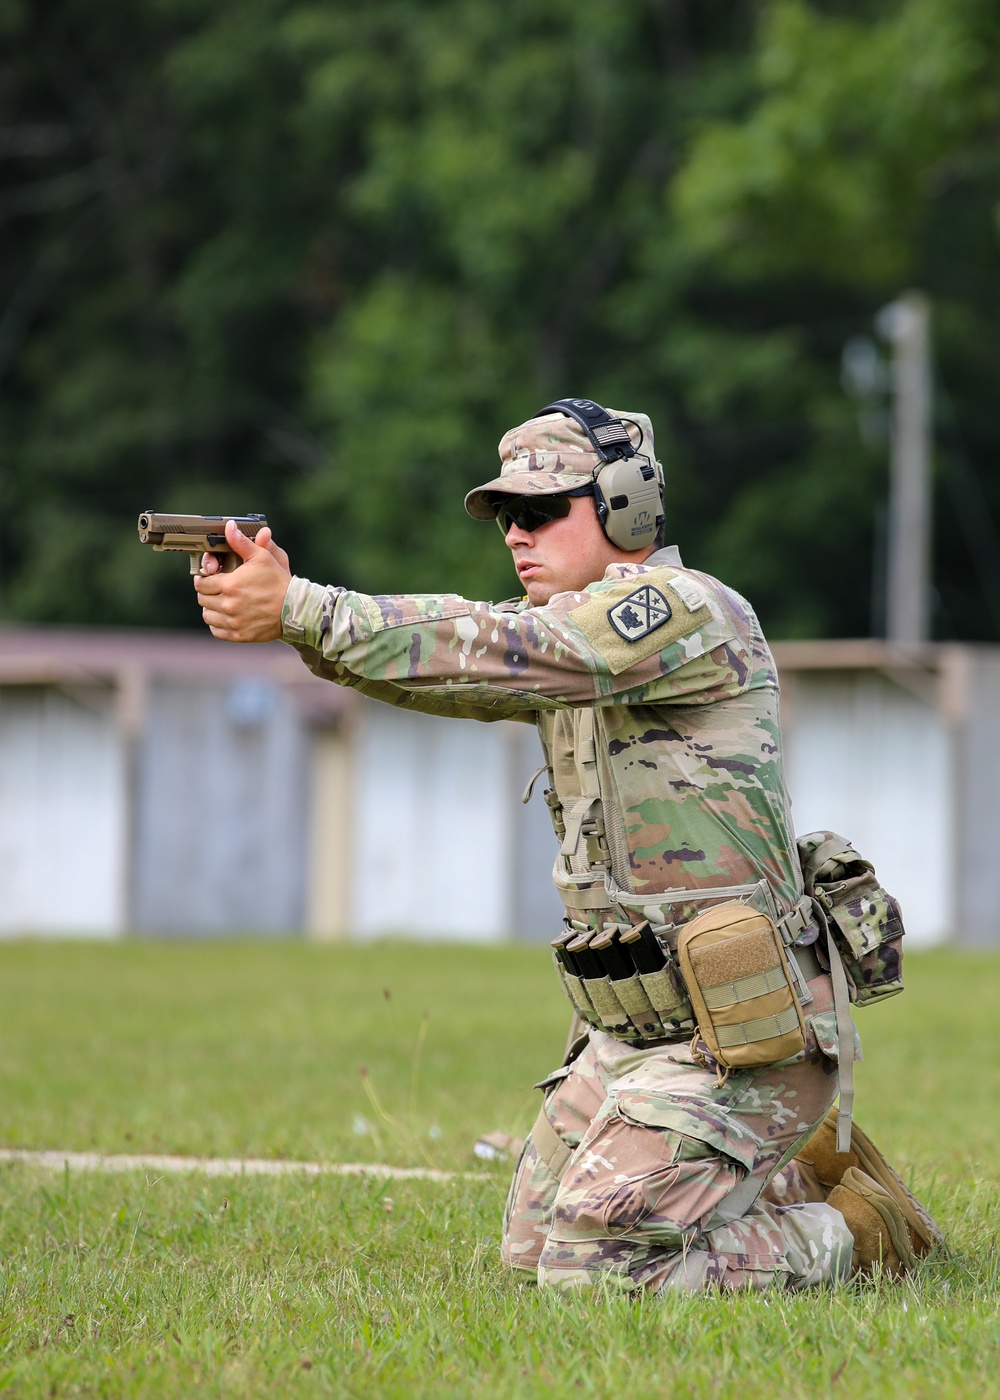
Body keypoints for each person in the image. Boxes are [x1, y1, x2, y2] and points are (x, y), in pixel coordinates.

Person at [194, 398, 940, 1292]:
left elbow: (511, 648)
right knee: (528, 1259)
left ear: (627, 504)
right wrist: (291, 618)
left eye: (542, 511)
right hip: (634, 1030)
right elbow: (459, 675)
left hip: (740, 1035)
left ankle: (855, 1235)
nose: (516, 533)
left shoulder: (679, 609)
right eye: (507, 514)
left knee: (596, 1268)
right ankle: (767, 1175)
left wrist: (306, 607)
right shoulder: (564, 639)